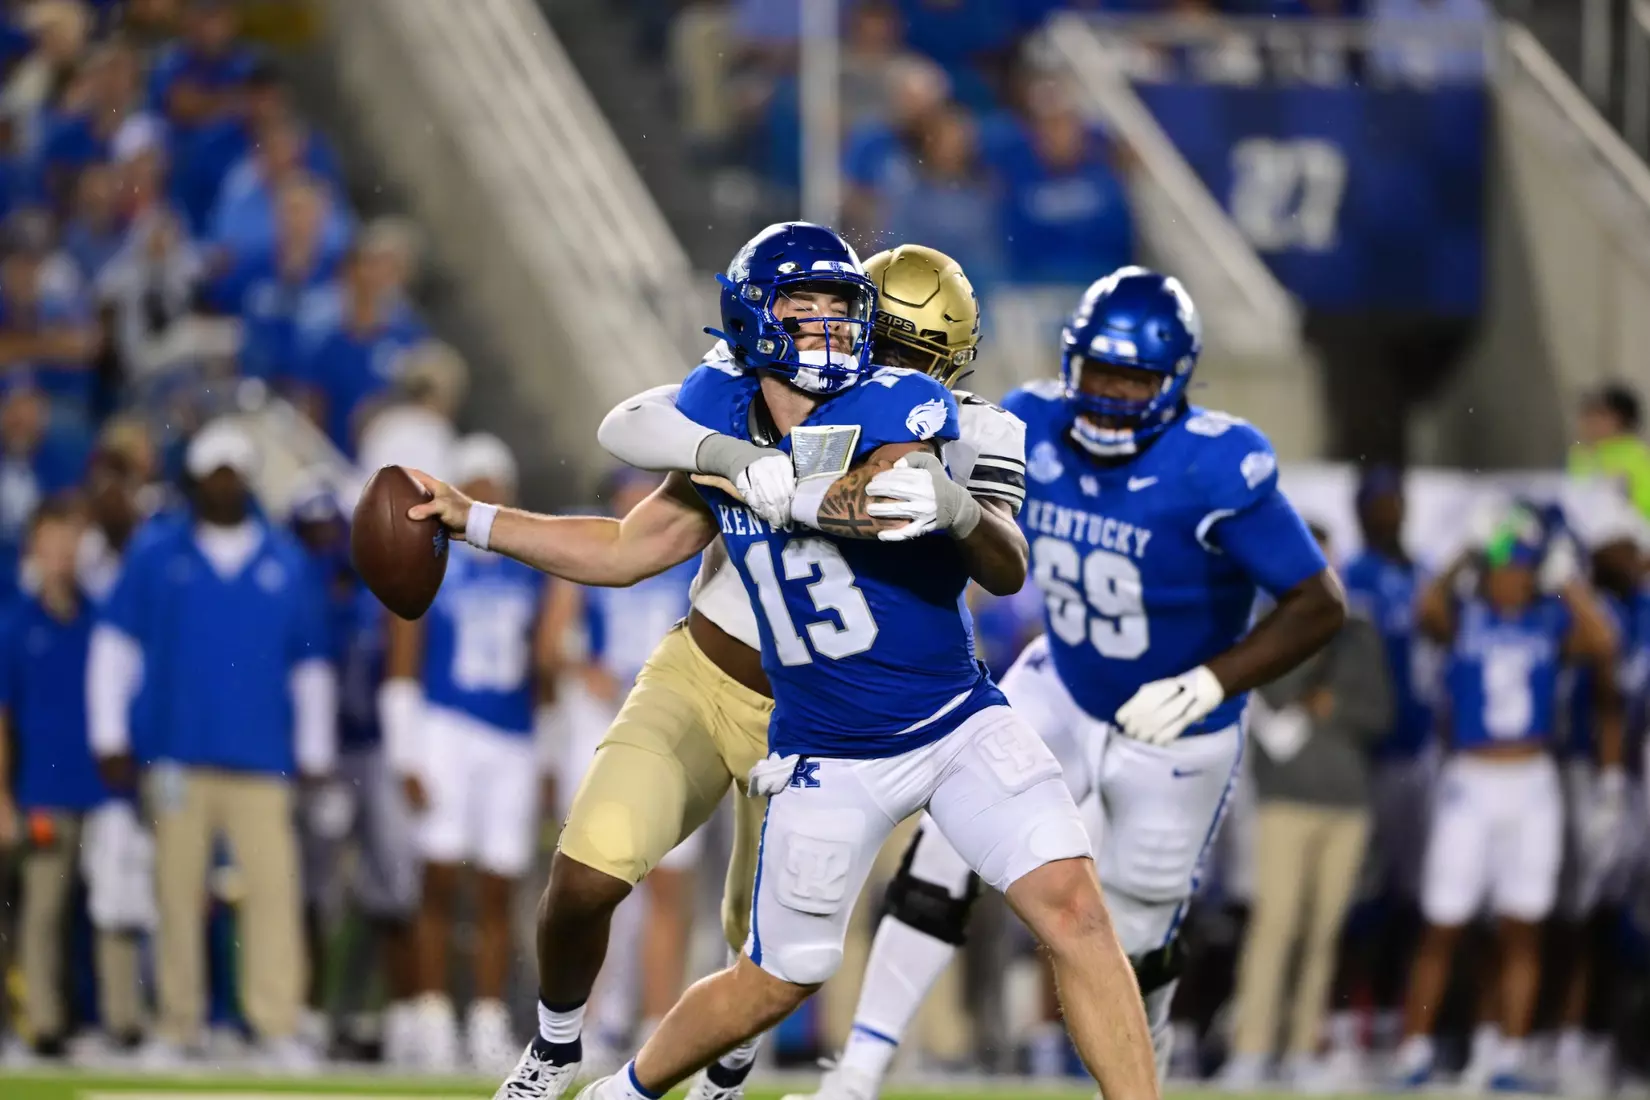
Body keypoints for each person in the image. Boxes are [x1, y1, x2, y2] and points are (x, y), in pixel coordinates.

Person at [407, 225, 1158, 1100]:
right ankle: (609, 1086)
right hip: (820, 745)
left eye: (848, 317)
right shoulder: (722, 402)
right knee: (771, 973)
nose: (849, 342)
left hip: (951, 718)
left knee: (1074, 908)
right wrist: (721, 463)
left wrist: (946, 506)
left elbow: (981, 544)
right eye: (813, 314)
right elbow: (631, 442)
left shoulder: (914, 416)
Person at [787, 266, 1347, 1100]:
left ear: (1174, 379)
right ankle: (857, 1073)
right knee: (943, 849)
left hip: (1178, 728)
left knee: (1137, 933)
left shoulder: (1218, 465)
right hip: (1065, 679)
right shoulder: (1031, 423)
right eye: (1100, 372)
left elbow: (1319, 603)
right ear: (1070, 361)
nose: (1113, 395)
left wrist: (1211, 680)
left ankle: (1130, 1082)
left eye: (1134, 378)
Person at [86, 418, 338, 1069]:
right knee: (175, 893)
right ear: (196, 480)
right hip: (176, 751)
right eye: (214, 472)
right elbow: (115, 645)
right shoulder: (157, 552)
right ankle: (178, 1026)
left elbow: (310, 665)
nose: (225, 483)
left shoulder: (284, 559)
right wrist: (109, 733)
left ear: (248, 478)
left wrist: (314, 749)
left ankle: (275, 1023)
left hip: (262, 757)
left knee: (273, 893)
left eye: (234, 471)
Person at [1392, 502, 1622, 1090]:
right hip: (1471, 778)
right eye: (1501, 569)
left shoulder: (1549, 619)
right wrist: (1465, 551)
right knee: (1444, 921)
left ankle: (1506, 1053)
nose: (1510, 579)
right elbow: (1427, 608)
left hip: (1532, 783)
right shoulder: (1466, 616)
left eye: (1521, 569)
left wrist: (1565, 579)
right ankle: (1413, 1048)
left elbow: (1603, 639)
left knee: (1523, 925)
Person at [382, 432, 558, 1074]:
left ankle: (484, 1015)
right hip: (445, 727)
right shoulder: (430, 557)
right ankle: (431, 1012)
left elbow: (544, 666)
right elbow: (403, 656)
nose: (487, 493)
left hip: (510, 736)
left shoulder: (529, 564)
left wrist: (548, 754)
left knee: (497, 885)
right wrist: (405, 752)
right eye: (476, 483)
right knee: (438, 877)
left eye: (496, 484)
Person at [1218, 521, 1392, 1089]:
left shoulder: (1358, 630)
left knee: (1322, 932)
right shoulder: (1266, 626)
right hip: (1285, 800)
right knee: (1274, 926)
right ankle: (1252, 1049)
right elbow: (1257, 704)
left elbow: (1381, 713)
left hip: (1346, 800)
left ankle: (1300, 1049)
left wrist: (1333, 705)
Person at [544, 468, 700, 1072]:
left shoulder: (694, 550)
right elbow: (553, 643)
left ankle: (657, 1021)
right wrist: (590, 672)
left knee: (666, 886)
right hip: (605, 721)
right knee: (595, 882)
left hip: (674, 722)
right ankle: (585, 1021)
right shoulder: (602, 548)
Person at [0, 496, 145, 1058]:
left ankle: (124, 1022)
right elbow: (4, 720)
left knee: (115, 905)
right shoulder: (15, 623)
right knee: (44, 908)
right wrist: (4, 794)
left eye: (70, 542)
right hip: (42, 789)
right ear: (35, 547)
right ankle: (43, 1021)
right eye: (52, 542)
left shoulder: (102, 618)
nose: (61, 554)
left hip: (104, 787)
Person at [1324, 466, 1438, 1074]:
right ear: (1363, 511)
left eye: (1396, 502)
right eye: (1379, 503)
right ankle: (1344, 1024)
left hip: (1419, 755)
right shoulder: (1353, 579)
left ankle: (1395, 1017)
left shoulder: (1424, 577)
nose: (1389, 512)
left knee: (1413, 897)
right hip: (1368, 754)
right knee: (1357, 897)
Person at [1551, 493, 1650, 1096]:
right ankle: (1591, 1044)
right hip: (1611, 777)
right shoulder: (1605, 608)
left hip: (1629, 777)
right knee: (1597, 915)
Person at [1569, 383, 1650, 522]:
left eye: (1598, 414)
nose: (1588, 421)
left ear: (1620, 419)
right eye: (1587, 414)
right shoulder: (1579, 455)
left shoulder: (1637, 456)